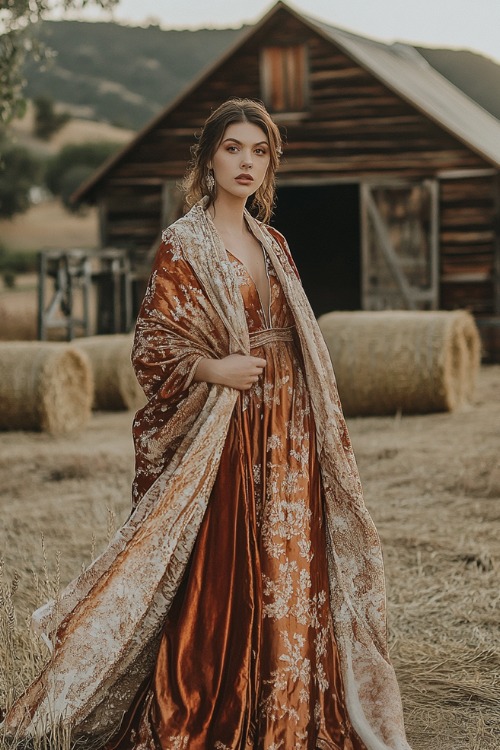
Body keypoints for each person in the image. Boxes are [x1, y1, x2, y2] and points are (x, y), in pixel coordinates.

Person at [2, 99, 411, 750]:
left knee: (291, 561)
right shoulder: (183, 243)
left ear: (270, 163)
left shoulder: (274, 244)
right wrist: (213, 369)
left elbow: (301, 339)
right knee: (226, 562)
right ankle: (219, 703)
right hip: (227, 426)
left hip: (293, 426)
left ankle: (289, 710)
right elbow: (152, 341)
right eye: (233, 148)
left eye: (259, 150)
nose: (246, 162)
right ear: (209, 158)